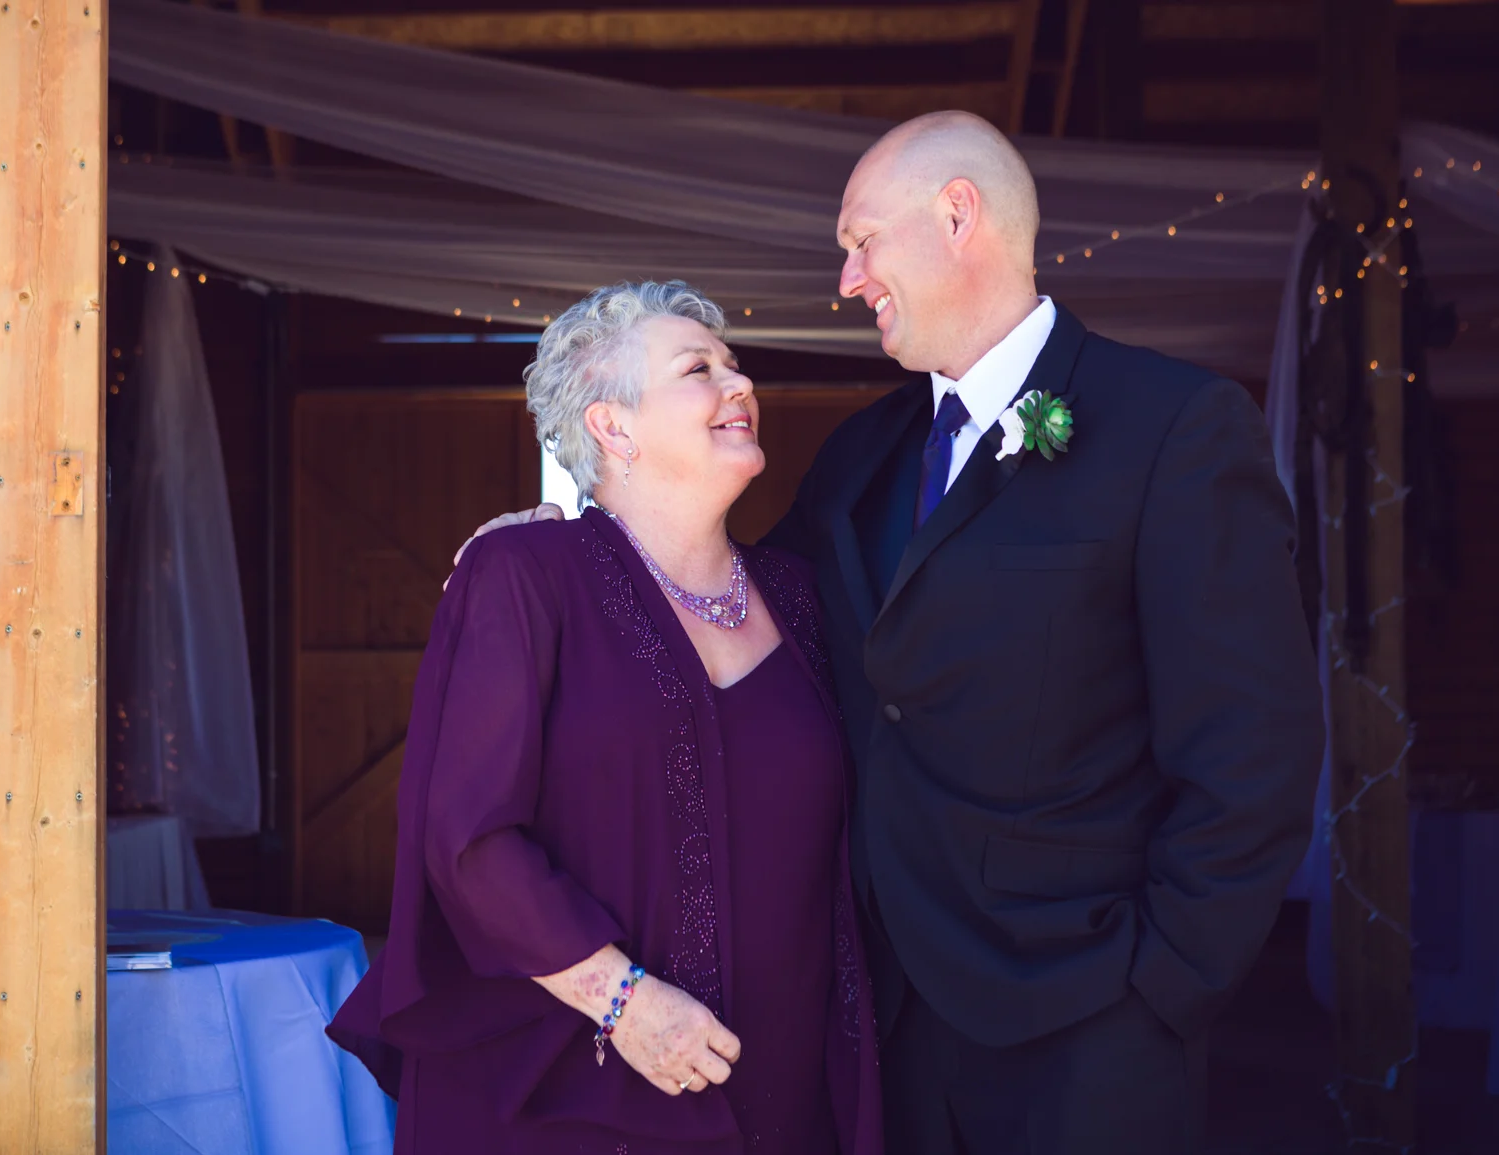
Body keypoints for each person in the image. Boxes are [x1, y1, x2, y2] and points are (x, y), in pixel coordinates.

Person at [454, 112, 1325, 1153]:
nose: (847, 278)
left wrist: (1163, 986)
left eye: (862, 241)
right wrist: (556, 543)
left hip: (1089, 1025)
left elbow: (1253, 746)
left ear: (957, 215)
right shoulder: (863, 456)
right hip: (882, 1034)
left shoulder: (1172, 426)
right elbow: (697, 590)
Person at [327, 281, 883, 1155]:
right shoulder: (524, 573)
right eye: (698, 369)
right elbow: (469, 840)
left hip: (791, 1089)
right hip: (582, 1086)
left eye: (734, 365)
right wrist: (625, 1002)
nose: (739, 383)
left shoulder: (804, 595)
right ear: (612, 427)